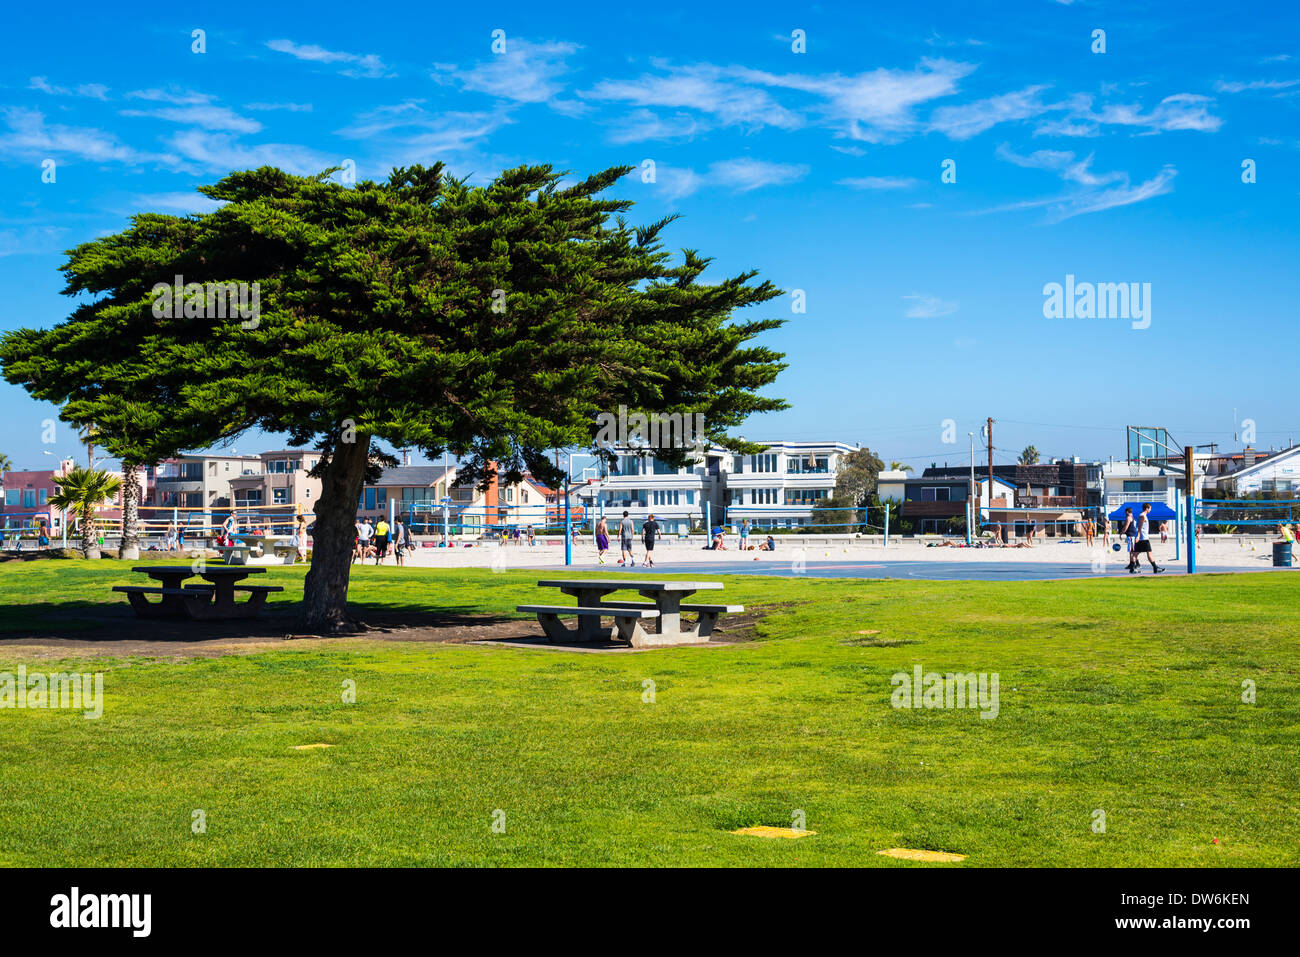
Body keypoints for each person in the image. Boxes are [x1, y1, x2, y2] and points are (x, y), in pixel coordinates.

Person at [1133, 502, 1163, 573]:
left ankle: (1155, 568)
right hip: (1142, 538)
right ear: (1147, 508)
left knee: (1142, 553)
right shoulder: (1142, 516)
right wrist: (1138, 536)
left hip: (1144, 538)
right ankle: (1134, 568)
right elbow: (1139, 527)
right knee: (1137, 553)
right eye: (1150, 509)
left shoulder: (1144, 515)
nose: (1150, 510)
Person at [1120, 507, 1137, 572]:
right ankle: (1131, 564)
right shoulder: (1132, 517)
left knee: (1132, 551)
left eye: (1125, 512)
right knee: (1131, 551)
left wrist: (1121, 533)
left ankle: (1134, 564)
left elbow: (1126, 527)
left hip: (1131, 536)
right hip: (1131, 535)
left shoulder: (1128, 518)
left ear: (1127, 512)